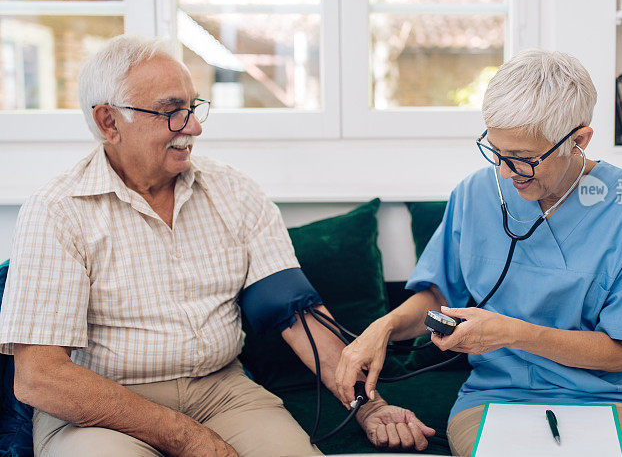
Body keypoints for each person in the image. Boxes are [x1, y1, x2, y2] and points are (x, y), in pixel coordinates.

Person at [0, 34, 434, 456]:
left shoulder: (235, 192)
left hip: (221, 390)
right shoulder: (56, 211)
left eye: (193, 107)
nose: (194, 126)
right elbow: (40, 377)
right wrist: (184, 436)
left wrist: (369, 407)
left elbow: (295, 313)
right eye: (171, 111)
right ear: (109, 122)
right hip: (101, 405)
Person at [335, 49, 622, 457]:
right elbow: (438, 297)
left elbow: (618, 353)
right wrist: (383, 328)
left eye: (524, 159)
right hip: (497, 396)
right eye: (496, 151)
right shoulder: (473, 193)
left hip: (613, 399)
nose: (504, 171)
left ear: (578, 141)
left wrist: (511, 332)